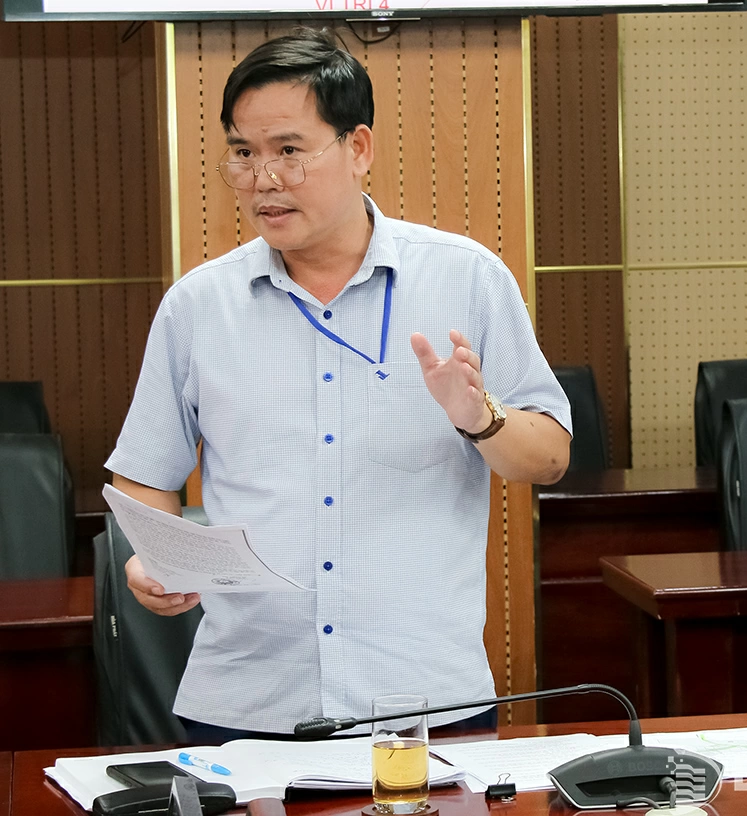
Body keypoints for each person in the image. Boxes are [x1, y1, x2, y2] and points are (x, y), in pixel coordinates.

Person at [105, 28, 571, 739]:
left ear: (358, 149)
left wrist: (481, 418)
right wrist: (153, 559)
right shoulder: (198, 307)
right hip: (248, 701)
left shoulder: (467, 279)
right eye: (243, 153)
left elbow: (551, 457)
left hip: (421, 701)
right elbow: (144, 477)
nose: (264, 178)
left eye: (289, 150)